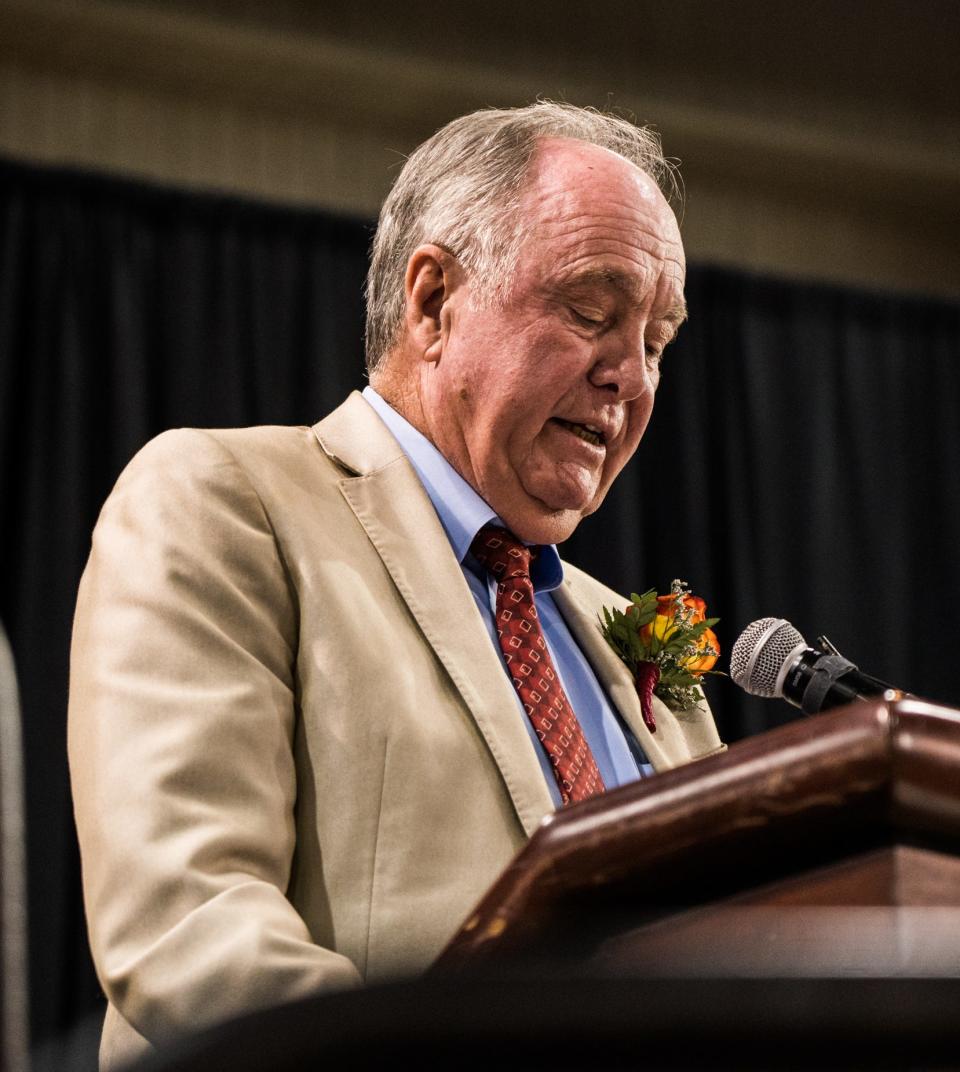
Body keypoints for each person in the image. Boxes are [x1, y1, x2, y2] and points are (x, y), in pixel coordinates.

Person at [68, 101, 724, 1070]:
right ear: (431, 302)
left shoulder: (629, 635)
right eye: (592, 313)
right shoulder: (226, 505)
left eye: (657, 343)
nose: (629, 375)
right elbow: (194, 937)